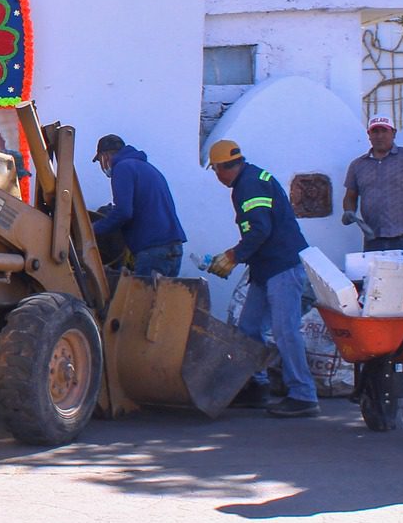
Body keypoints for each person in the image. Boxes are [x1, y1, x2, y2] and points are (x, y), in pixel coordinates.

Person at [206, 139, 318, 417]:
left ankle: (303, 395)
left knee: (285, 330)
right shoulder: (251, 179)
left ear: (222, 168)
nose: (217, 176)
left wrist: (233, 256)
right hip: (266, 268)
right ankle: (257, 386)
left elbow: (259, 229)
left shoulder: (249, 185)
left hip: (281, 266)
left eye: (216, 171)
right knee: (248, 328)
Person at [90, 133, 187, 277]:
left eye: (100, 161)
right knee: (160, 299)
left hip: (152, 251)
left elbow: (124, 211)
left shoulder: (122, 168)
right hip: (173, 250)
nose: (102, 166)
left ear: (106, 156)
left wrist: (93, 229)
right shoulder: (147, 168)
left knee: (142, 299)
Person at [342, 114, 403, 250]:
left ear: (393, 133)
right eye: (375, 131)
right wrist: (349, 211)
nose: (380, 136)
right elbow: (350, 196)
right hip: (373, 238)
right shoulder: (357, 165)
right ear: (369, 134)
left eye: (384, 131)